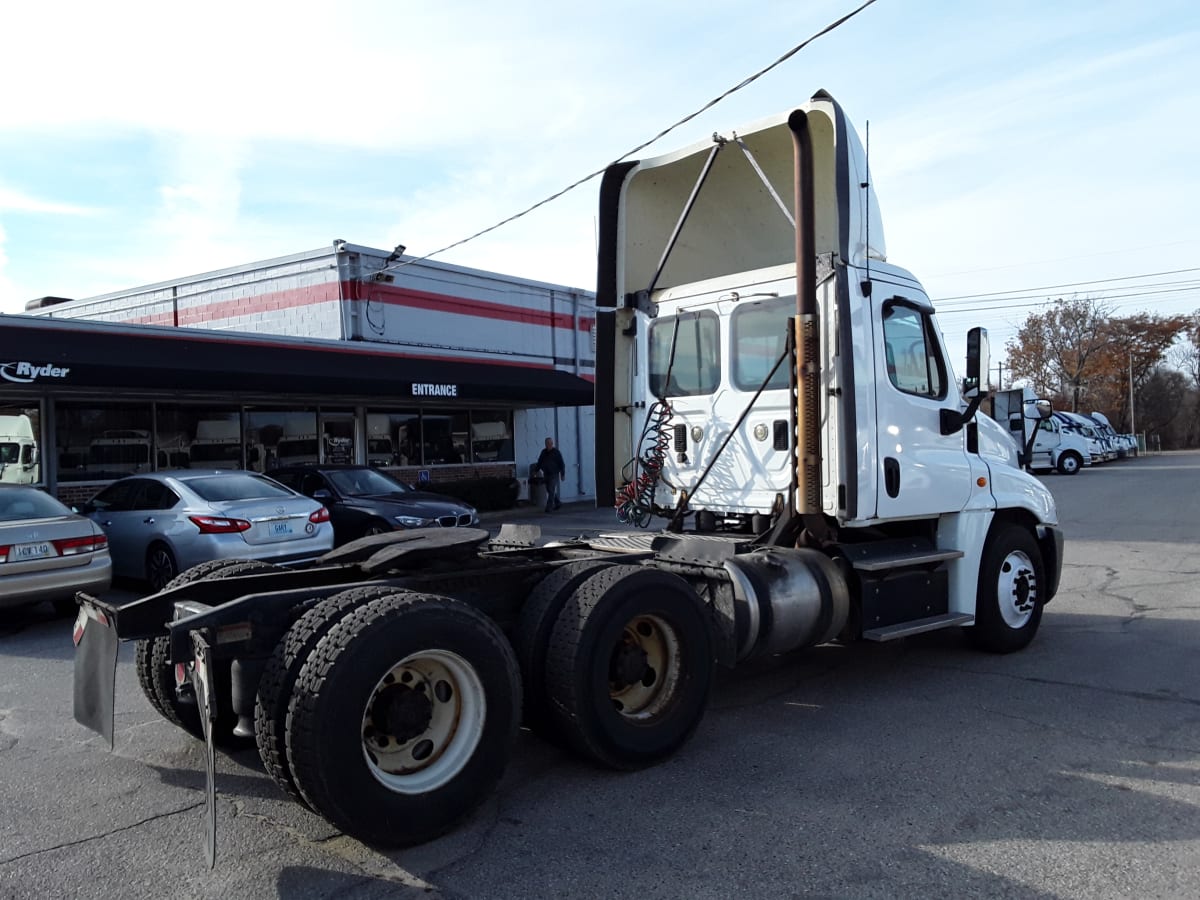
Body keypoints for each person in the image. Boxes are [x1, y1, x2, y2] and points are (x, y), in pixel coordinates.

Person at [536, 436, 566, 512]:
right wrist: (535, 471)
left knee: (551, 489)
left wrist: (562, 474)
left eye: (550, 443)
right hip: (546, 473)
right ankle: (558, 503)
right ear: (545, 444)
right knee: (549, 490)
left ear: (552, 444)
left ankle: (549, 508)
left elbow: (562, 464)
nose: (548, 445)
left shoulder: (556, 452)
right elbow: (539, 462)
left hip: (554, 474)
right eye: (547, 443)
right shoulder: (543, 452)